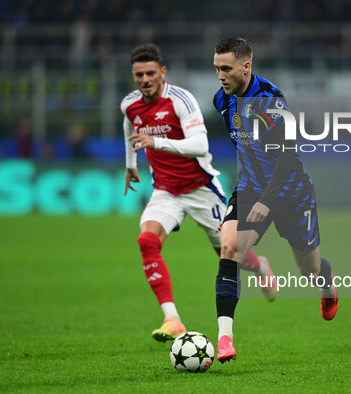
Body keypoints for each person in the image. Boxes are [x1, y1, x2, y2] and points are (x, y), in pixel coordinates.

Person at [122, 44, 276, 343]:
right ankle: (172, 319)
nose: (144, 80)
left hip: (201, 188)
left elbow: (200, 146)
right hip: (165, 190)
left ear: (162, 73)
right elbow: (130, 125)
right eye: (138, 74)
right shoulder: (130, 104)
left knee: (230, 254)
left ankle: (260, 266)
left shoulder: (181, 100)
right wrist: (131, 165)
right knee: (147, 241)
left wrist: (155, 143)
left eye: (150, 73)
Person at [212, 37, 339, 363]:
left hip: (290, 193)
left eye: (227, 69)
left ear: (246, 67)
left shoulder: (270, 100)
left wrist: (268, 200)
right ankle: (224, 338)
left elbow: (286, 155)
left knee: (308, 269)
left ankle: (326, 283)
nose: (221, 76)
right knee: (228, 247)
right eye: (217, 69)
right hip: (250, 188)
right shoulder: (221, 101)